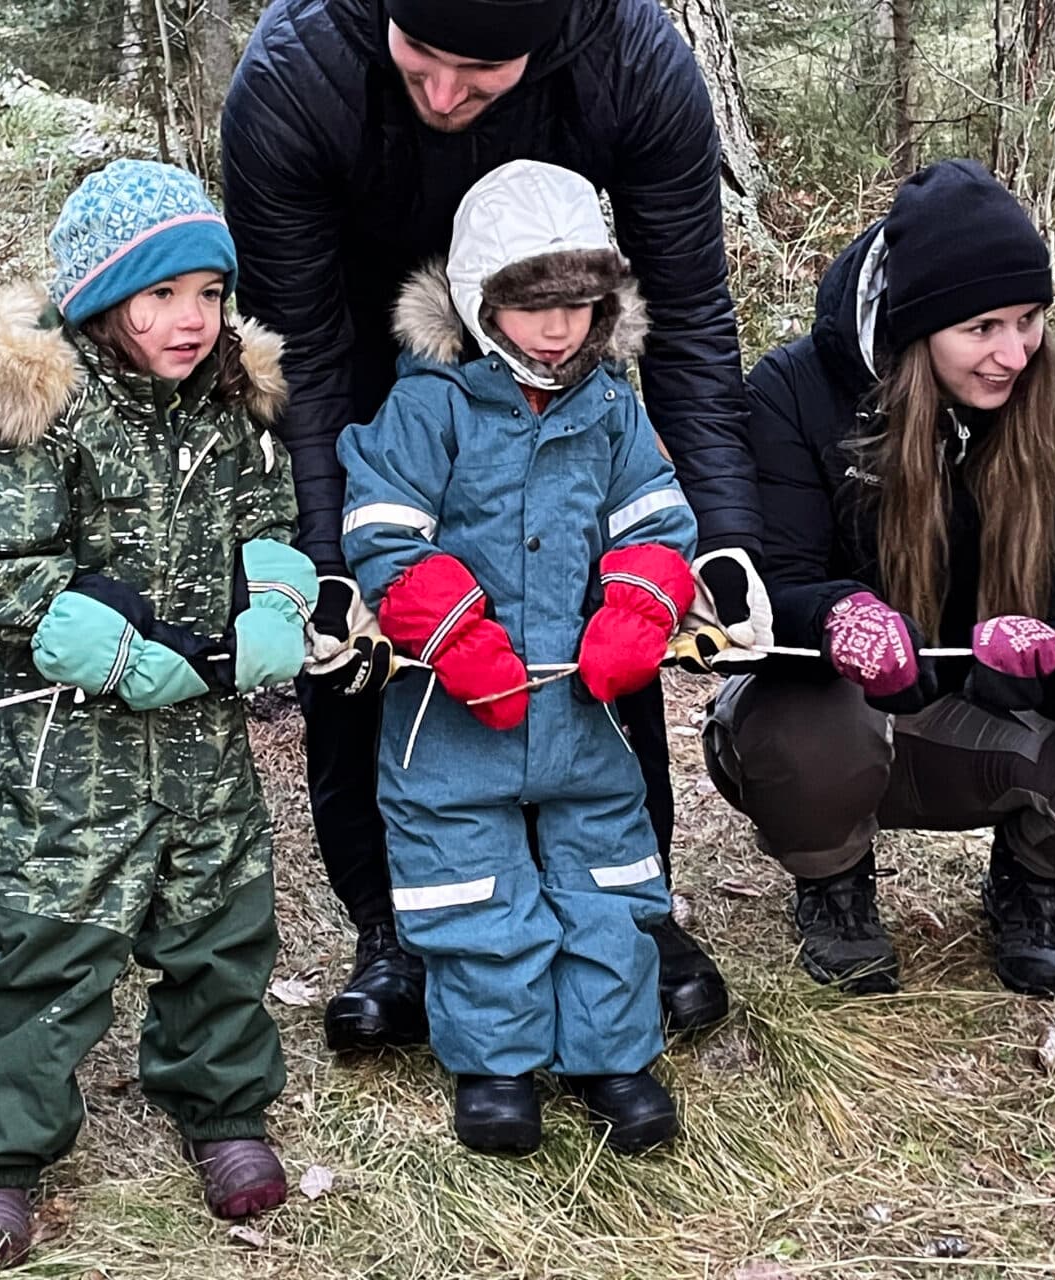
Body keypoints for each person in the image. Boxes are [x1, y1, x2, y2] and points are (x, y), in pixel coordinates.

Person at [221, 0, 771, 1050]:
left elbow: (689, 312)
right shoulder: (293, 77)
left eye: (477, 72)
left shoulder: (632, 60)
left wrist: (720, 540)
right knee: (374, 627)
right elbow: (309, 361)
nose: (439, 97)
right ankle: (394, 920)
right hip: (374, 346)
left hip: (564, 329)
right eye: (419, 59)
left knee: (595, 613)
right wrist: (332, 565)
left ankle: (623, 908)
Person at [0, 159, 319, 1268]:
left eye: (205, 292)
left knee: (221, 928)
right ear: (105, 300)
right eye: (159, 296)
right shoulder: (50, 408)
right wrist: (96, 642)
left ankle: (224, 1107)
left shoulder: (232, 403)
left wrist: (275, 602)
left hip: (202, 738)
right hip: (72, 752)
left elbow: (268, 514)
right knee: (51, 945)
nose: (188, 320)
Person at [701, 159, 1055, 998]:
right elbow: (763, 592)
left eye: (1029, 320)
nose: (1014, 353)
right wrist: (836, 618)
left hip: (991, 716)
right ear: (916, 327)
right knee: (801, 729)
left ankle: (1033, 879)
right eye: (982, 327)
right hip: (840, 714)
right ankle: (832, 878)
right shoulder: (795, 394)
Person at [338, 160, 692, 1154]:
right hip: (449, 714)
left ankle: (612, 1053)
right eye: (532, 305)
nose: (557, 328)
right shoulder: (429, 406)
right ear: (476, 297)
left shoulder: (611, 405)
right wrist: (456, 635)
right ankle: (495, 1064)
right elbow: (382, 531)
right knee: (469, 886)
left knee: (610, 879)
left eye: (580, 304)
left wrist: (636, 605)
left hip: (580, 707)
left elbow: (658, 518)